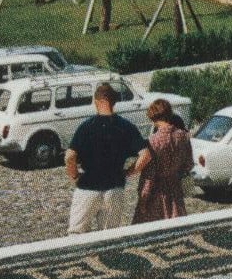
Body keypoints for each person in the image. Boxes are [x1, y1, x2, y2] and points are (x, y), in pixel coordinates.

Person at [65, 83, 146, 235]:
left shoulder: (86, 127)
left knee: (76, 234)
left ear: (96, 101)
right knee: (110, 235)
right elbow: (145, 155)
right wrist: (129, 172)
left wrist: (74, 175)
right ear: (114, 103)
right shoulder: (126, 126)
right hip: (114, 188)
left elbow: (70, 156)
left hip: (88, 188)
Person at [131, 98, 193, 224]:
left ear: (152, 116)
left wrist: (143, 199)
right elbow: (189, 164)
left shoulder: (153, 141)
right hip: (175, 190)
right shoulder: (183, 136)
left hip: (156, 194)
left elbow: (149, 175)